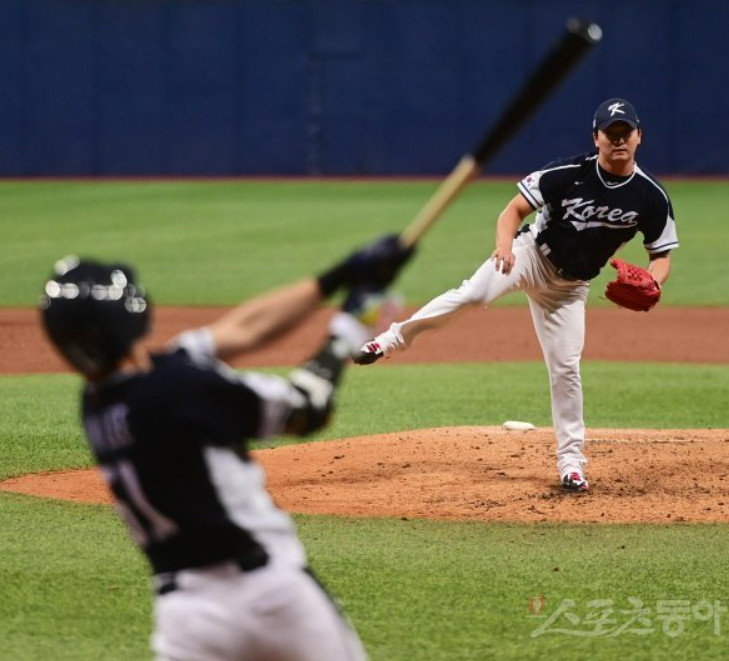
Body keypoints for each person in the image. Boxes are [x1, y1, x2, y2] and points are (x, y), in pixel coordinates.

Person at [39, 235, 413, 661]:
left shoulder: (99, 406)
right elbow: (309, 408)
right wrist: (351, 325)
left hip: (187, 620)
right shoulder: (179, 388)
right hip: (274, 600)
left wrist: (340, 275)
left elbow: (244, 328)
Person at [354, 98, 679, 493]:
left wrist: (654, 281)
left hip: (570, 289)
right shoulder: (568, 173)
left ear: (639, 136)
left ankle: (571, 464)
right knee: (473, 294)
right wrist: (504, 246)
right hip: (530, 256)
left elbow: (660, 255)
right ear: (596, 138)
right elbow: (514, 209)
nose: (618, 140)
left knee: (566, 368)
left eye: (625, 132)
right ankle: (391, 340)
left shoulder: (650, 195)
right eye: (610, 134)